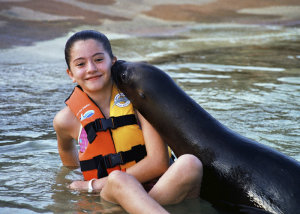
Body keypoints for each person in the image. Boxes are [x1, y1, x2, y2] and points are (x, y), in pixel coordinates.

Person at [53, 30, 203, 214]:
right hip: (113, 193)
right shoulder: (64, 121)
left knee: (190, 163)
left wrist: (93, 184)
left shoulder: (138, 101)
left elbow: (158, 163)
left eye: (99, 59)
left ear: (112, 61)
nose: (91, 68)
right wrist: (78, 186)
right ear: (71, 73)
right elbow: (69, 164)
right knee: (118, 179)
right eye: (81, 64)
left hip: (159, 187)